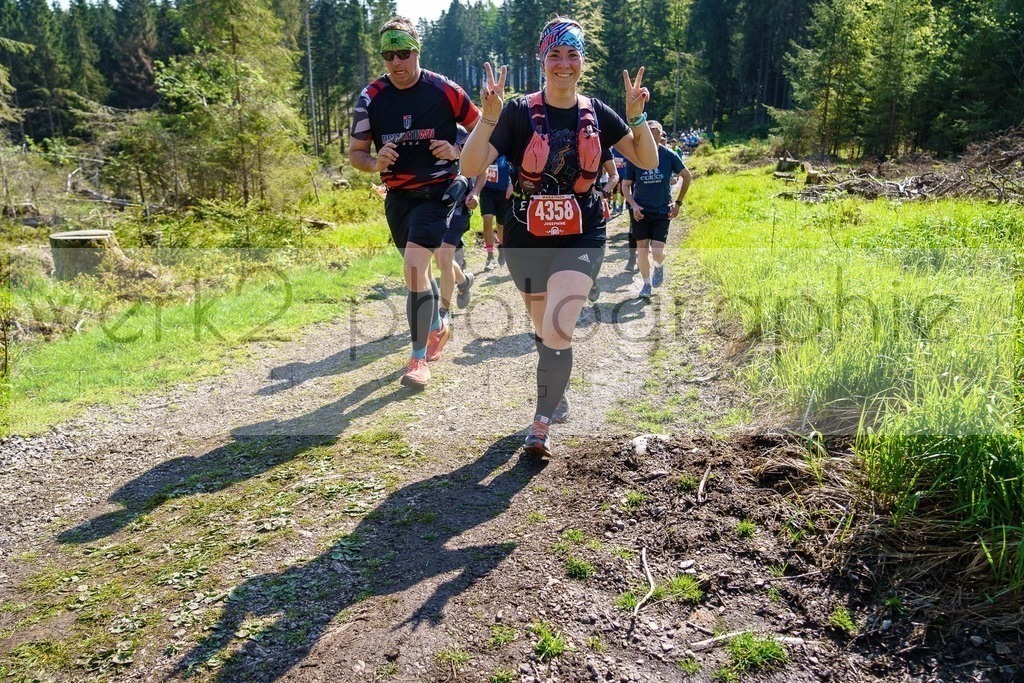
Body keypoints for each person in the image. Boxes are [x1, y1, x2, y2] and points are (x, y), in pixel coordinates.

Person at [461, 16, 657, 458]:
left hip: (581, 232)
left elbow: (645, 159)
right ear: (542, 60)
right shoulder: (516, 112)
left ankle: (541, 424)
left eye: (572, 54)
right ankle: (556, 384)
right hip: (525, 236)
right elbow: (470, 166)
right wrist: (487, 118)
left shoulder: (597, 113)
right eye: (555, 54)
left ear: (582, 61)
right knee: (545, 329)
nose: (563, 63)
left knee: (558, 326)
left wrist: (637, 116)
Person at [349, 16, 480, 389]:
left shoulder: (446, 90)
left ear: (417, 51)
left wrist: (457, 150)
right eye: (388, 55)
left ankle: (418, 360)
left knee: (412, 267)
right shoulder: (370, 98)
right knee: (418, 273)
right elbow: (356, 153)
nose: (396, 62)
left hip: (438, 193)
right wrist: (375, 163)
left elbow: (485, 131)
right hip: (398, 198)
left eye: (403, 53)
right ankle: (438, 324)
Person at [621, 119, 692, 301]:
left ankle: (659, 266)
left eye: (655, 133)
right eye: (648, 134)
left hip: (662, 210)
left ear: (661, 136)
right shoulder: (635, 157)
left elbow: (687, 176)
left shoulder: (669, 156)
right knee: (642, 250)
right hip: (641, 211)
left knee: (657, 253)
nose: (652, 137)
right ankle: (646, 284)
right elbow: (625, 185)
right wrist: (633, 205)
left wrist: (678, 203)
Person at [433, 126, 485, 328]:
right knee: (440, 260)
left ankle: (443, 311)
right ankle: (464, 281)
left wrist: (476, 193)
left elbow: (482, 169)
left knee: (445, 259)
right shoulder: (427, 130)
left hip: (459, 209)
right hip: (431, 209)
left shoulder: (462, 133)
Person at [480, 155, 513, 271]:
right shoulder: (486, 149)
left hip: (503, 191)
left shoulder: (506, 150)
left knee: (501, 225)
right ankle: (490, 256)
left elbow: (516, 168)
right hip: (487, 190)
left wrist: (512, 184)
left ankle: (502, 246)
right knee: (487, 218)